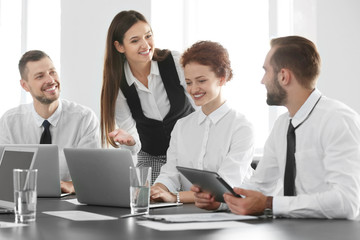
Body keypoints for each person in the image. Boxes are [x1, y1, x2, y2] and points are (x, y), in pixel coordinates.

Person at [191, 36, 360, 219]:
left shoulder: (338, 120)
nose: (262, 81)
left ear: (284, 76)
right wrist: (221, 201)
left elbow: (347, 202)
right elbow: (259, 186)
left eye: (266, 71)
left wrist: (269, 204)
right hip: (290, 230)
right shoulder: (282, 125)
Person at [150, 41, 254, 204]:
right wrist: (157, 190)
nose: (193, 89)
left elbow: (224, 189)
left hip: (233, 214)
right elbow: (170, 173)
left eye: (201, 81)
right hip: (190, 212)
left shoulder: (241, 127)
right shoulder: (182, 126)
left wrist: (175, 197)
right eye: (189, 82)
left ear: (221, 79)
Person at [100, 10, 194, 184]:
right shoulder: (118, 85)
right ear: (120, 47)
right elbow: (134, 144)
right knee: (143, 197)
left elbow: (201, 107)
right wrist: (129, 141)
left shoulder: (173, 61)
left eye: (148, 36)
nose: (145, 45)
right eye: (135, 41)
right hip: (153, 157)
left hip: (190, 155)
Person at [0, 50, 100, 193]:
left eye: (52, 72)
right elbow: (5, 177)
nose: (50, 80)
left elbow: (91, 175)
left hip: (70, 201)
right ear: (25, 86)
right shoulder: (10, 122)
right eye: (40, 76)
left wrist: (71, 186)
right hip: (23, 200)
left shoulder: (84, 118)